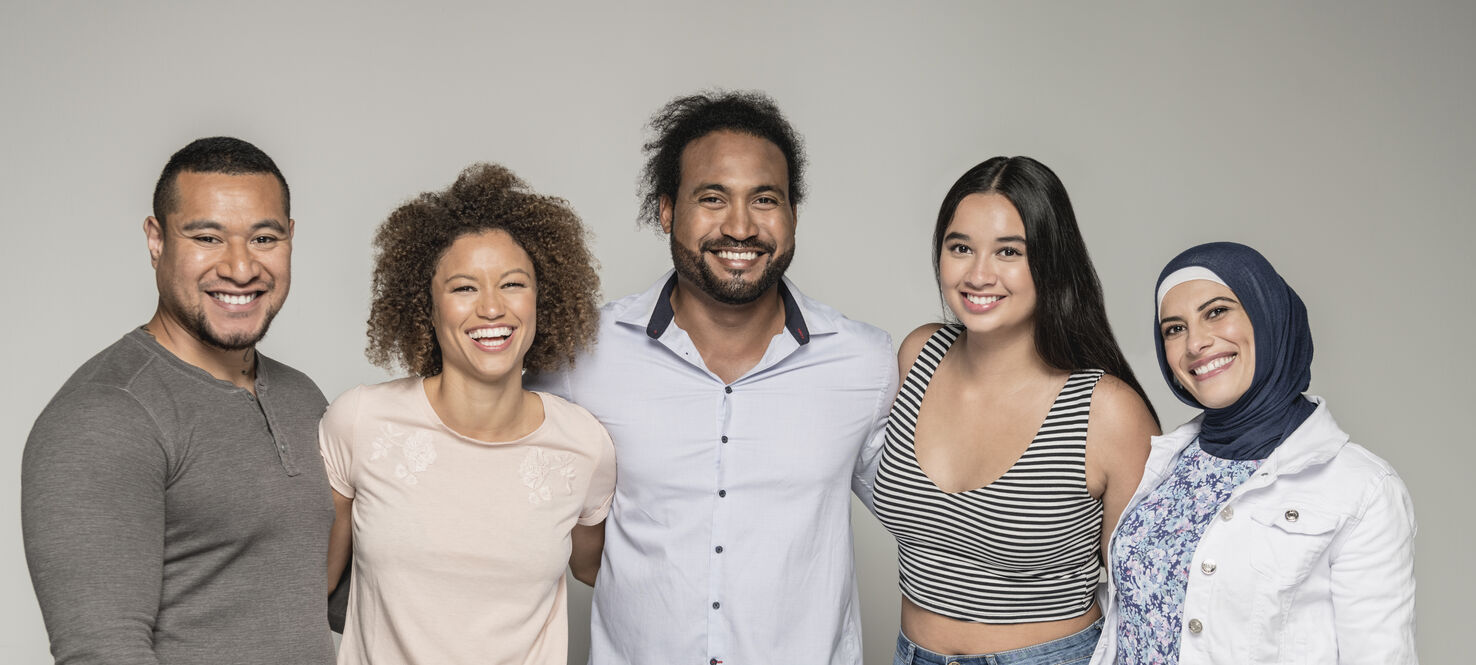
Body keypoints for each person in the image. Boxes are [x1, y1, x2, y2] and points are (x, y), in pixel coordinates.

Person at [526, 91, 897, 664]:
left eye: (765, 199)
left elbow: (940, 528)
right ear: (667, 210)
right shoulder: (583, 357)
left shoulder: (866, 364)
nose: (741, 226)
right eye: (713, 198)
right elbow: (504, 491)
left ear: (794, 213)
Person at [21, 137, 335, 664]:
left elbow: (324, 595)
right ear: (156, 239)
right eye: (208, 237)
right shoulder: (105, 413)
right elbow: (102, 651)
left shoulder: (302, 396)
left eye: (263, 238)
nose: (240, 268)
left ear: (291, 239)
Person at [320, 163, 613, 665]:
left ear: (544, 298)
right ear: (425, 306)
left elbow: (609, 575)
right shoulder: (361, 421)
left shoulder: (583, 446)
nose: (493, 309)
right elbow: (307, 589)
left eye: (513, 284)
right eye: (463, 288)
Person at [873, 156, 1160, 665]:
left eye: (1009, 251)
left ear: (1051, 263)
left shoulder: (1107, 413)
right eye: (960, 247)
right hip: (912, 653)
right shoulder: (919, 354)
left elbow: (1144, 601)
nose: (979, 274)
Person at [1091, 241, 1418, 664]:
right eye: (1174, 328)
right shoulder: (1165, 463)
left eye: (1216, 312)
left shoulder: (1363, 489)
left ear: (1267, 315)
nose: (1195, 344)